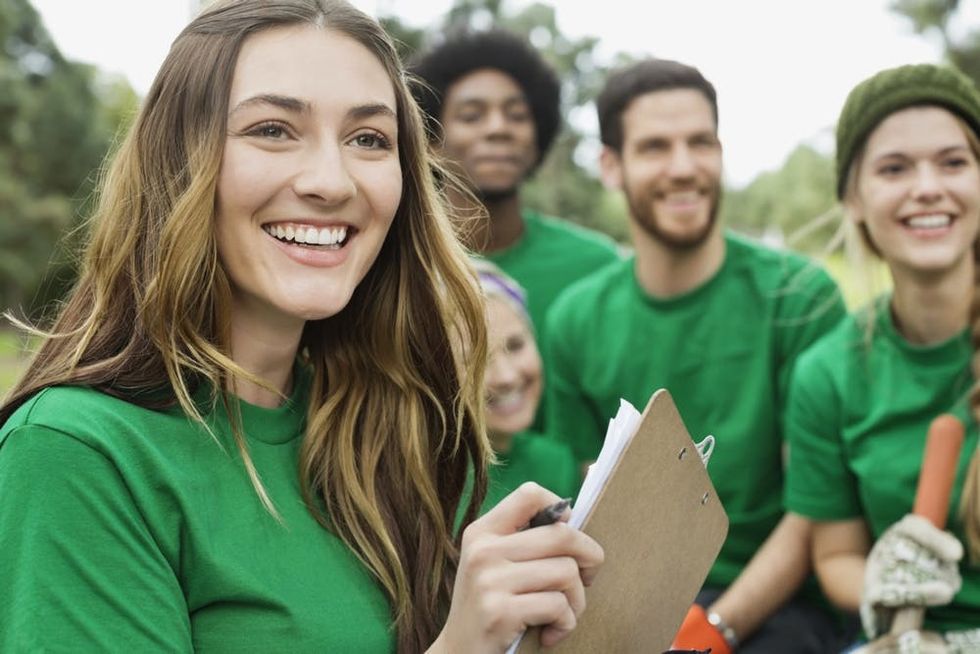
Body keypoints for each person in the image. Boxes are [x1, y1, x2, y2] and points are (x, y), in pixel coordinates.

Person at [0, 2, 603, 652]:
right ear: (176, 162)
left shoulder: (388, 430)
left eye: (368, 139)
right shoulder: (76, 455)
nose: (330, 181)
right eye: (273, 129)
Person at [545, 58, 848, 652]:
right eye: (656, 147)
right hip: (632, 603)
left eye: (700, 143)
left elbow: (816, 508)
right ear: (612, 165)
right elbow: (591, 497)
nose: (683, 168)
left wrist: (715, 627)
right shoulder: (575, 320)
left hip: (775, 607)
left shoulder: (799, 298)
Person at [785, 63, 980, 650]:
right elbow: (836, 553)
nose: (927, 187)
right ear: (854, 199)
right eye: (895, 168)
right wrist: (879, 583)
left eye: (953, 163)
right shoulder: (828, 373)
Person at [410, 30, 621, 430]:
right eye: (472, 115)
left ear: (537, 135)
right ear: (430, 141)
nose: (498, 128)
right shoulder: (397, 264)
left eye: (517, 115)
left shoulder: (597, 266)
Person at [463, 259, 577, 520]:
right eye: (478, 362)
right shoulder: (422, 485)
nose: (506, 377)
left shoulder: (556, 463)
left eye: (515, 346)